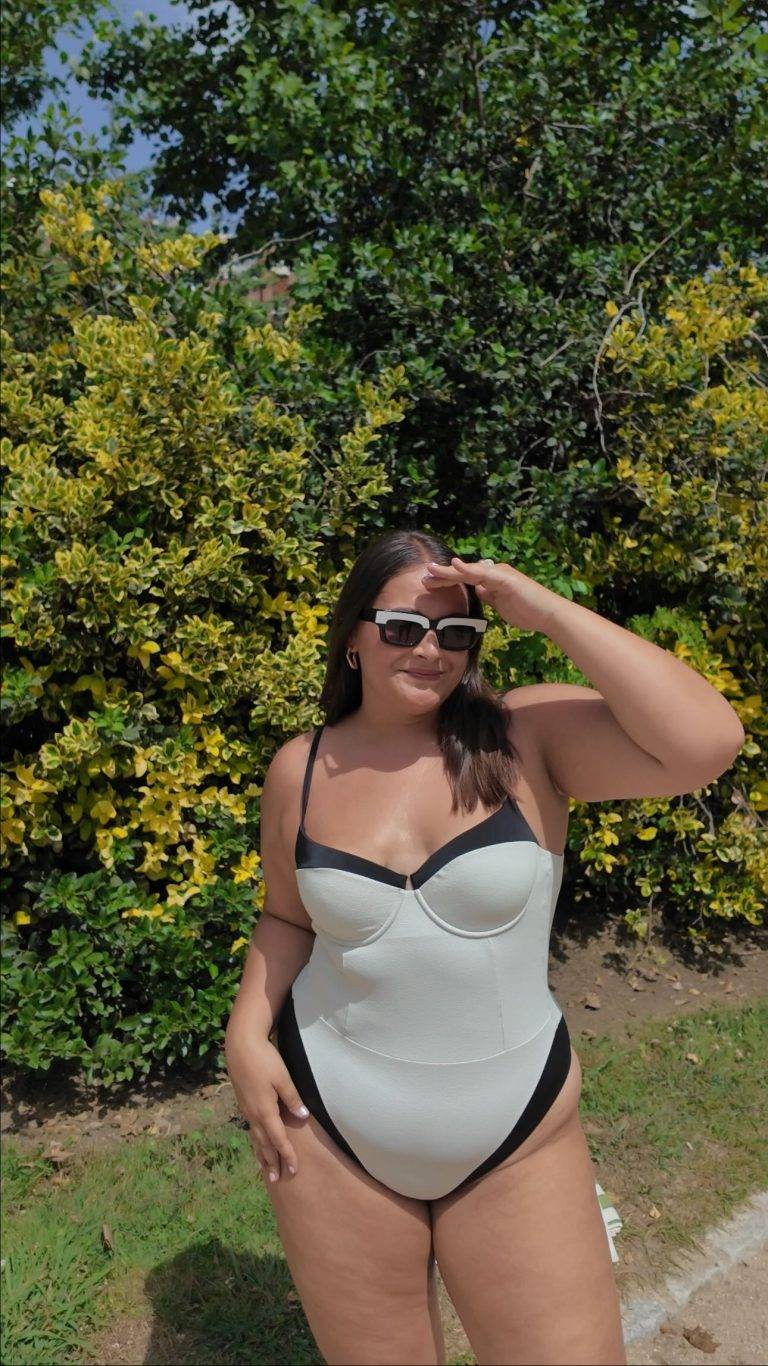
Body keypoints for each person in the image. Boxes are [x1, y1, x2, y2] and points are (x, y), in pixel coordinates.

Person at [225, 528, 744, 1365]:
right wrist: (247, 1033)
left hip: (515, 1129)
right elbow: (287, 919)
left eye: (457, 633)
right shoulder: (302, 767)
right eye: (402, 628)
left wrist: (545, 610)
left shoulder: (522, 739)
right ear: (354, 635)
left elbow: (705, 743)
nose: (431, 650)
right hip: (327, 1125)